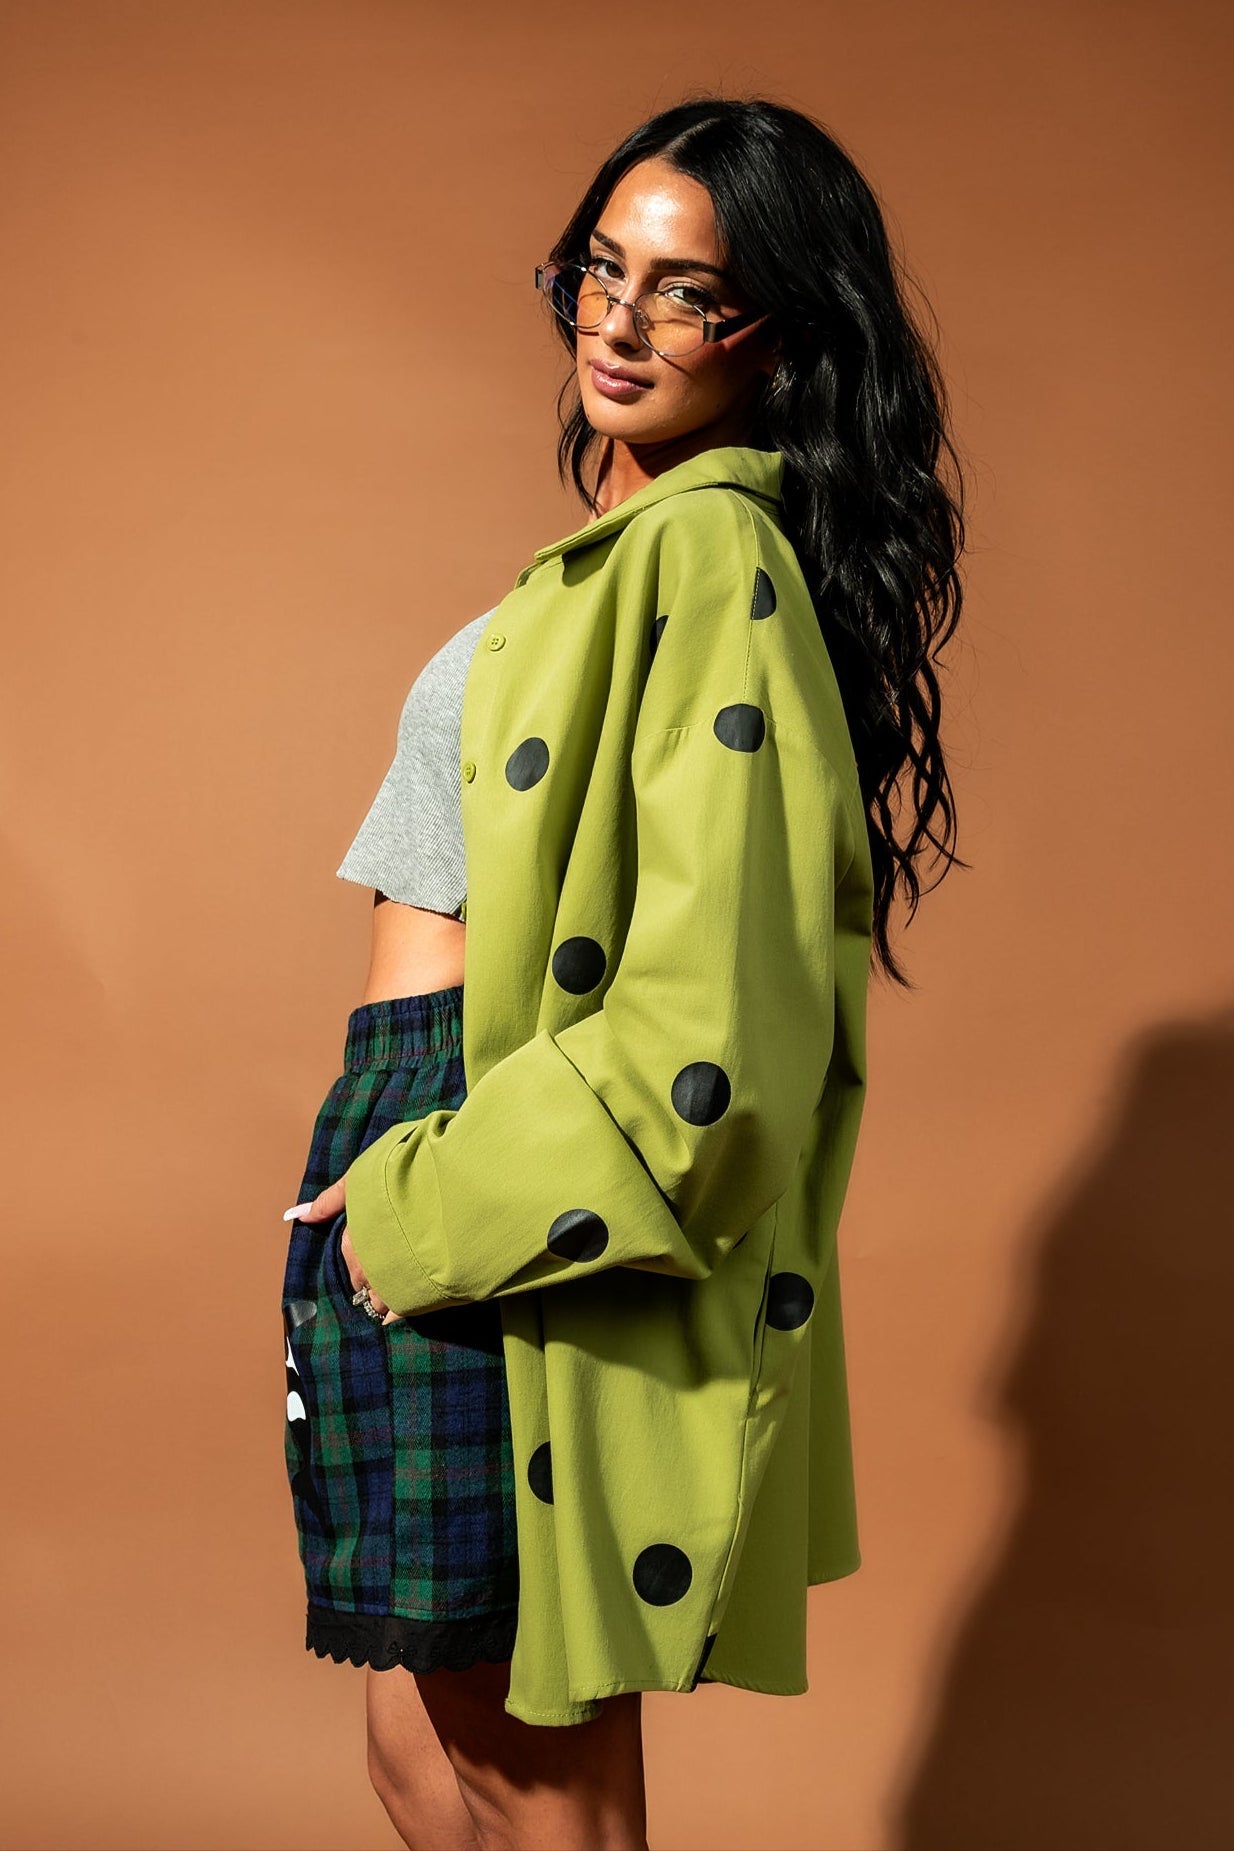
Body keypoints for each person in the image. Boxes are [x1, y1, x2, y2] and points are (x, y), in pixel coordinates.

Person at [278, 94, 966, 1851]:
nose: (617, 317)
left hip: (481, 1158)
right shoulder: (614, 554)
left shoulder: (707, 553)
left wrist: (419, 1194)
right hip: (416, 1125)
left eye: (685, 291)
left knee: (537, 1791)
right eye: (602, 269)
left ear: (782, 338)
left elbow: (707, 1028)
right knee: (417, 1760)